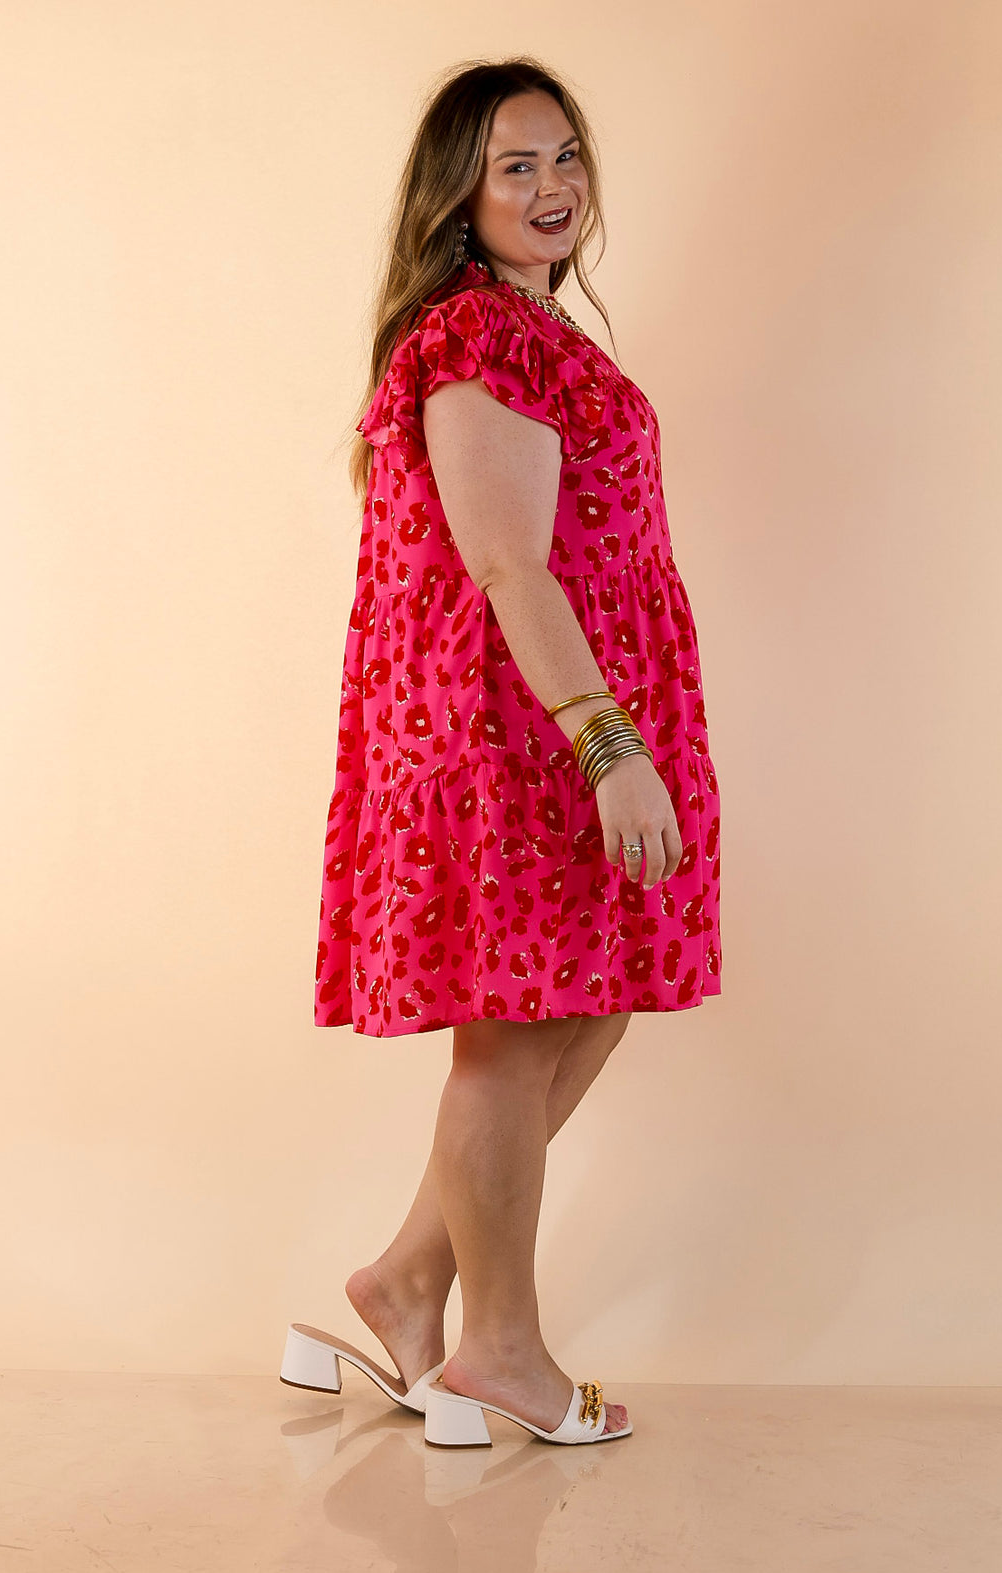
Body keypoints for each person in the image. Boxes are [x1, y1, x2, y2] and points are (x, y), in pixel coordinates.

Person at [285, 57, 722, 1447]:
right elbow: (506, 563)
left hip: (561, 718)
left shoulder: (534, 328)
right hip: (518, 735)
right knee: (514, 1032)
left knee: (586, 1003)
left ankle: (411, 1279)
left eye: (565, 155)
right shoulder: (480, 334)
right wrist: (609, 743)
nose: (550, 187)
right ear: (457, 196)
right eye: (514, 166)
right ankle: (501, 1351)